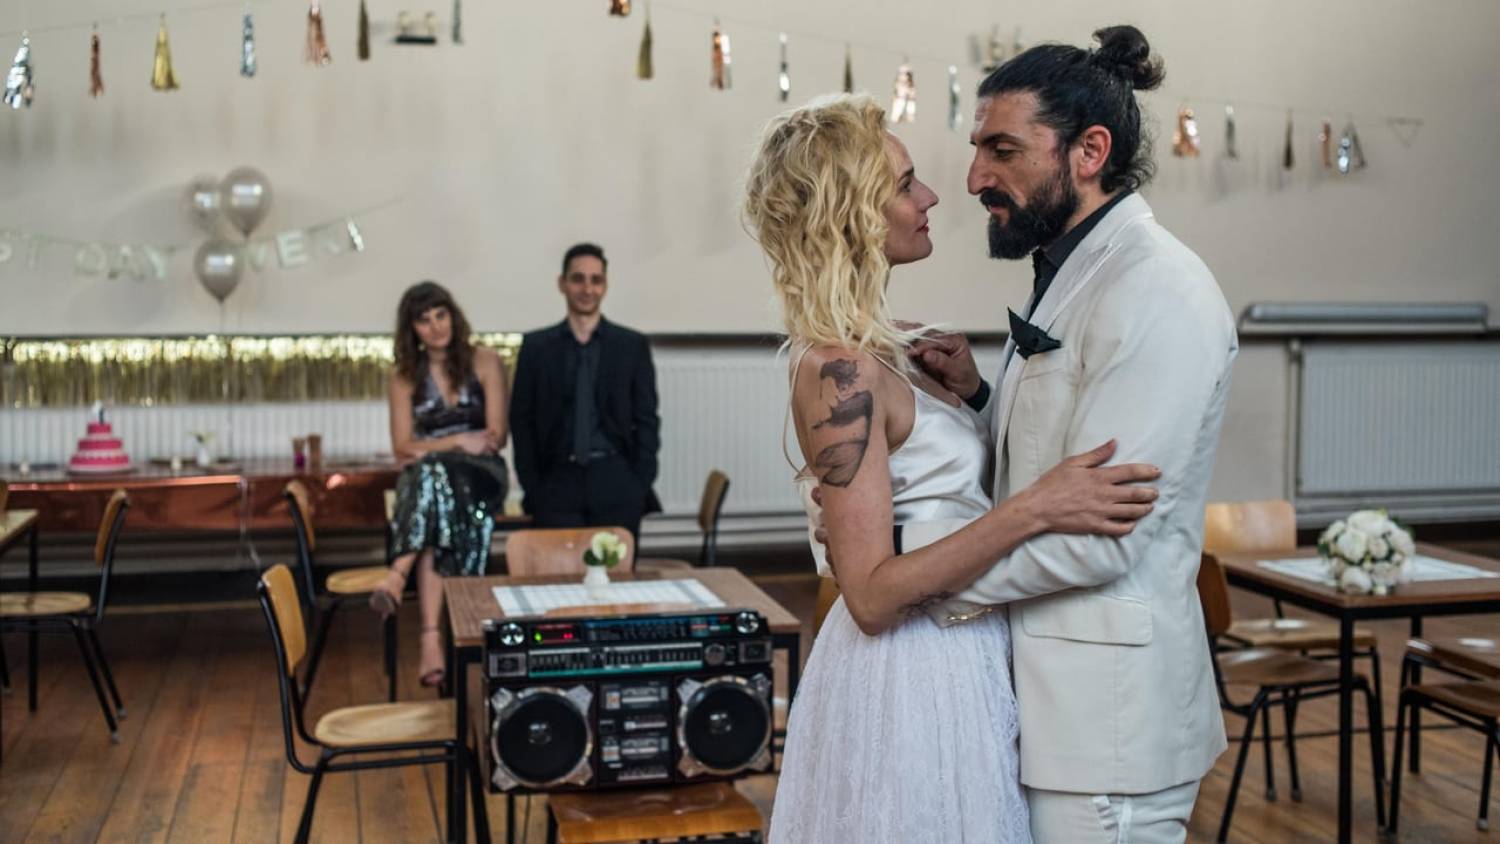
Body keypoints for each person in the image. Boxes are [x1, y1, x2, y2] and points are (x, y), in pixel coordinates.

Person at [743, 93, 1162, 842]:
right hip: (906, 674)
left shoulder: (888, 351)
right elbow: (871, 596)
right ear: (851, 215)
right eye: (905, 185)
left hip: (960, 648)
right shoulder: (838, 371)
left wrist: (970, 394)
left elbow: (943, 495)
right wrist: (1035, 508)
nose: (933, 196)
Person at [897, 25, 1237, 842]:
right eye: (978, 150)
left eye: (1003, 151)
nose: (975, 178)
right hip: (1050, 702)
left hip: (1107, 726)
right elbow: (1051, 470)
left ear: (1090, 151)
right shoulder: (1073, 266)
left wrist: (916, 574)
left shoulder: (1158, 289)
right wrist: (978, 395)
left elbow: (1099, 537)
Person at [370, 281, 509, 688]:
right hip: (434, 483)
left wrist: (433, 448)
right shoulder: (402, 376)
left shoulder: (485, 361)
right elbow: (401, 448)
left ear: (453, 315)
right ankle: (433, 639)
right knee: (435, 495)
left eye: (440, 315)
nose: (435, 327)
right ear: (412, 329)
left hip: (481, 475)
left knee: (430, 474)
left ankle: (399, 576)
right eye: (424, 320)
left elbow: (496, 436)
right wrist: (458, 440)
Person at [509, 243, 661, 542]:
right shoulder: (536, 348)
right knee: (557, 569)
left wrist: (639, 481)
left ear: (605, 285)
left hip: (616, 477)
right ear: (562, 283)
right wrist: (533, 484)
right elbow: (521, 420)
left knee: (614, 569)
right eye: (578, 279)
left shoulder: (631, 346)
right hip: (555, 479)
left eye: (596, 280)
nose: (587, 289)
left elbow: (647, 418)